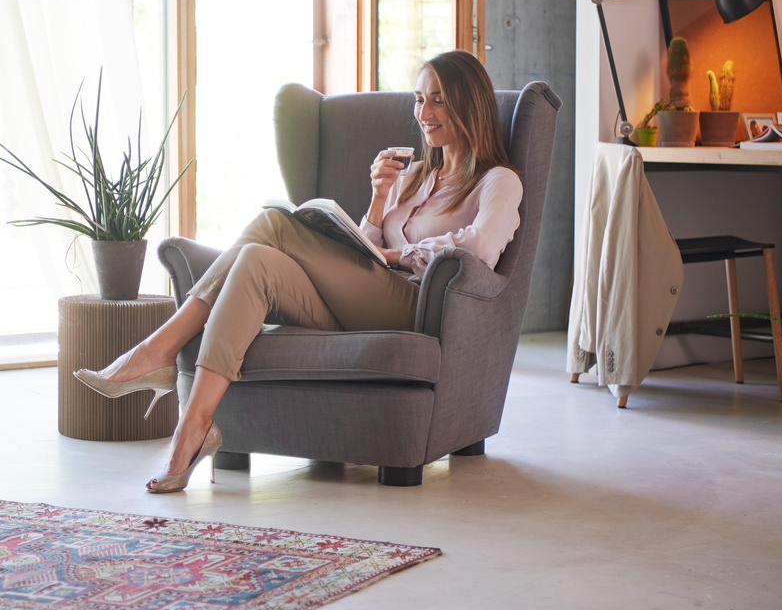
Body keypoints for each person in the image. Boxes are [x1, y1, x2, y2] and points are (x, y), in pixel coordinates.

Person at [74, 50, 523, 493]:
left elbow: (481, 248)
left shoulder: (498, 180)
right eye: (419, 100)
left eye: (439, 100)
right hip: (362, 299)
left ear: (470, 104)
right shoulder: (414, 175)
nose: (424, 113)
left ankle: (157, 350)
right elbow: (368, 246)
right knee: (255, 261)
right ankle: (195, 428)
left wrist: (396, 257)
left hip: (413, 305)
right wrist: (378, 200)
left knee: (273, 223)